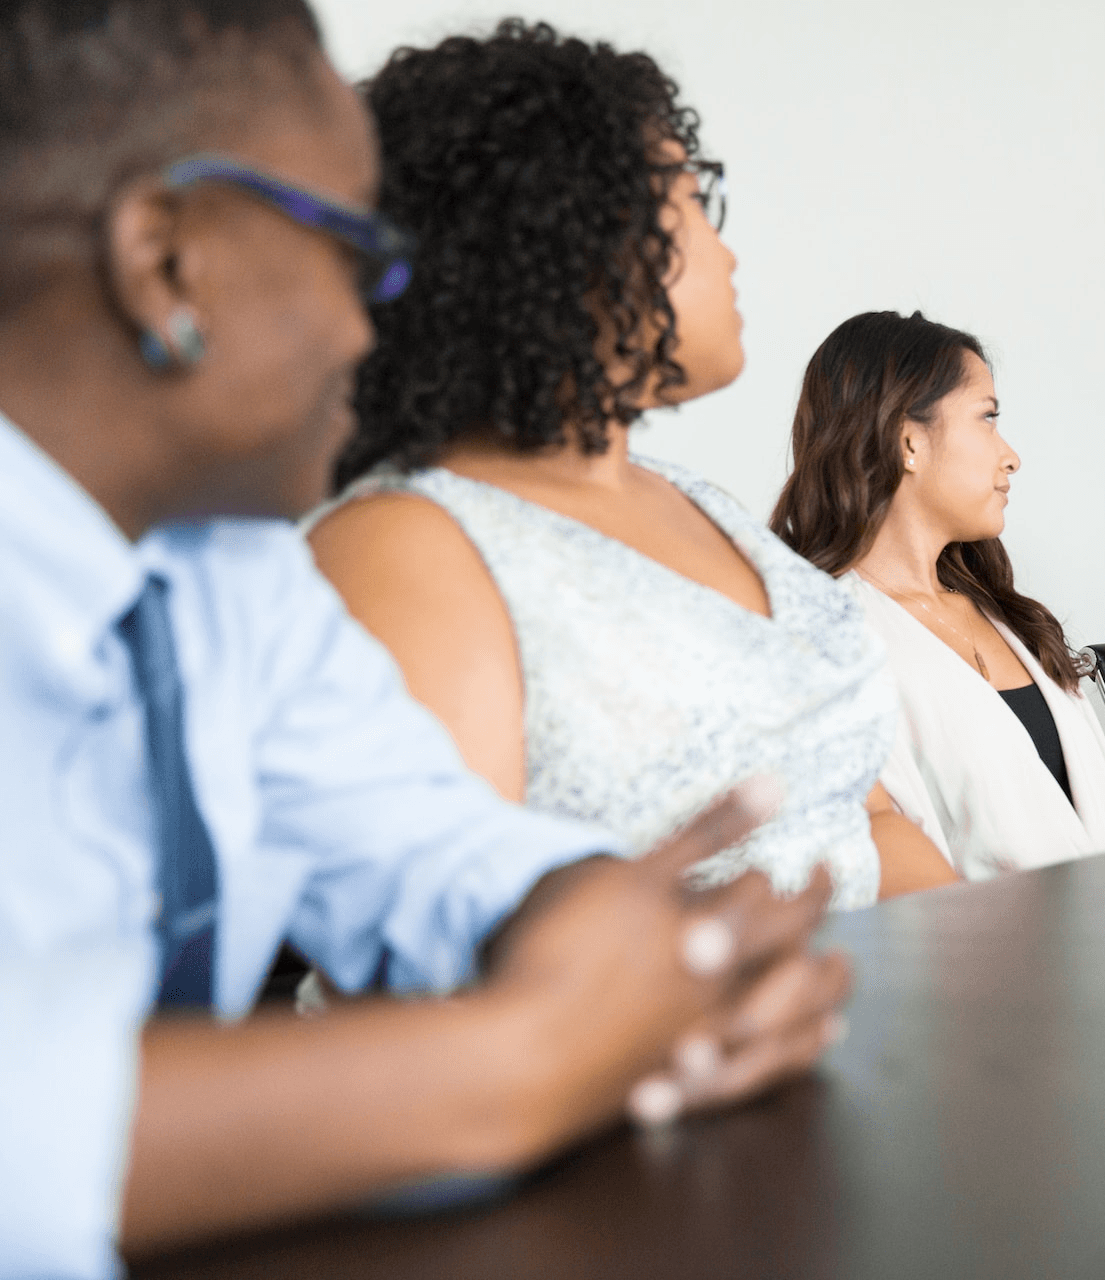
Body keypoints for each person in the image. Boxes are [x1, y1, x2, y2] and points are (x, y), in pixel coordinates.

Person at [0, 3, 847, 1274]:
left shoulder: (227, 572)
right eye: (356, 249)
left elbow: (431, 847)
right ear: (163, 264)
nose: (375, 320)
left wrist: (640, 949)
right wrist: (531, 1056)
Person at [307, 23, 956, 907]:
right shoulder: (405, 545)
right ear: (567, 230)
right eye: (694, 199)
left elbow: (863, 820)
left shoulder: (702, 505)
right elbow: (452, 968)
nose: (725, 250)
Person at [770, 311, 1105, 878]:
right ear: (908, 441)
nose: (1010, 456)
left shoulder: (1007, 615)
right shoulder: (826, 640)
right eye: (987, 417)